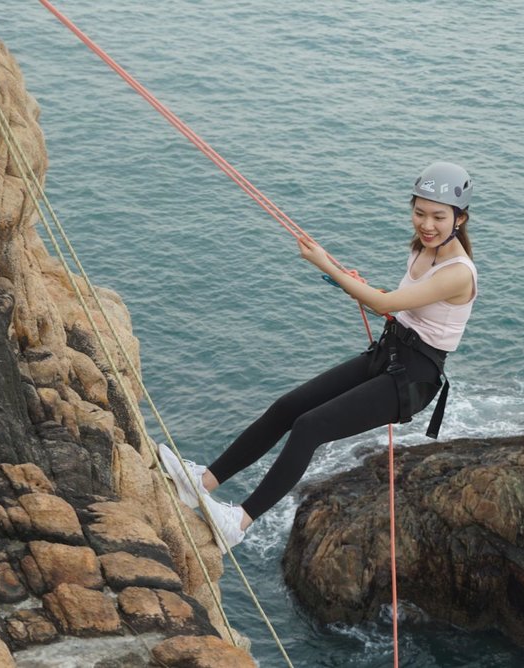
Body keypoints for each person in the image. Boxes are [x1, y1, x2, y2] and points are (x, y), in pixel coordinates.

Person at [159, 161, 478, 552]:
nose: (426, 224)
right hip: (390, 353)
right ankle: (202, 483)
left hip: (413, 378)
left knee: (310, 427)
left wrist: (327, 265)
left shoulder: (459, 271)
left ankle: (237, 524)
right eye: (419, 213)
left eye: (438, 217)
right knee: (287, 407)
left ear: (460, 218)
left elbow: (384, 304)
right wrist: (358, 285)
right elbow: (404, 306)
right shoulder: (423, 249)